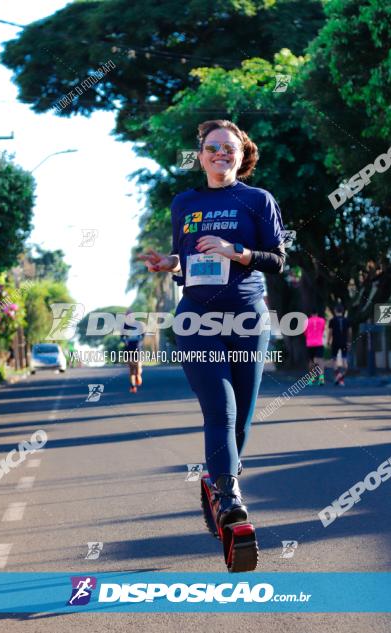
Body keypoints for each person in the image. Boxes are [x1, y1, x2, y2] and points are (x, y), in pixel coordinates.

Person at [138, 119, 286, 528]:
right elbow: (184, 258)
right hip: (196, 317)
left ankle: (218, 485)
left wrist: (234, 250)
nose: (221, 153)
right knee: (220, 410)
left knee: (243, 416)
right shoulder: (184, 202)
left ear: (242, 155)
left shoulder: (258, 199)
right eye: (212, 147)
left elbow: (276, 259)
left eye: (229, 147)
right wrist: (168, 263)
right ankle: (228, 493)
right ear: (201, 155)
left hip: (247, 317)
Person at [120, 309, 144, 393]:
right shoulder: (124, 326)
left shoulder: (138, 324)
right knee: (131, 369)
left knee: (137, 368)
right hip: (128, 348)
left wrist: (140, 341)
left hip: (137, 348)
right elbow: (122, 337)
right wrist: (125, 341)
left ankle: (138, 375)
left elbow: (143, 335)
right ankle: (133, 386)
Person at [328, 303, 351, 386]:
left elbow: (330, 332)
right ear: (343, 311)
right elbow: (349, 332)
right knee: (345, 360)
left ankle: (337, 376)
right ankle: (341, 378)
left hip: (335, 342)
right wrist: (349, 342)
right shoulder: (347, 320)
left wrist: (328, 341)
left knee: (334, 360)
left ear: (335, 311)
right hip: (344, 342)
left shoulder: (332, 320)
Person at [304, 310, 326, 385]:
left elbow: (305, 333)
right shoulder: (322, 320)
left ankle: (312, 378)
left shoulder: (307, 321)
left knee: (311, 361)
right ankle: (321, 378)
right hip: (319, 343)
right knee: (320, 361)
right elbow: (322, 330)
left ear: (311, 314)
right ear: (317, 313)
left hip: (310, 343)